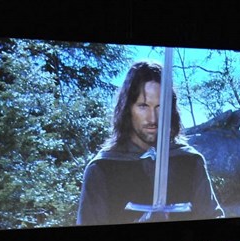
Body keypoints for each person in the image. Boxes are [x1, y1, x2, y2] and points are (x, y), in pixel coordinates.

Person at [77, 60, 224, 226]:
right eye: (143, 106)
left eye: (160, 107)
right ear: (128, 108)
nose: (152, 118)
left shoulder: (189, 161)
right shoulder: (102, 168)